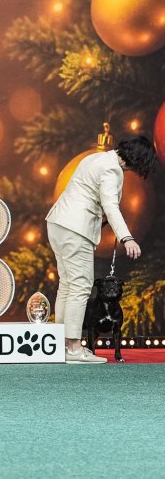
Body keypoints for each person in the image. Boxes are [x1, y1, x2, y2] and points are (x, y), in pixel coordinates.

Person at [46, 136, 157, 364]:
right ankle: (74, 348)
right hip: (75, 229)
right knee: (80, 286)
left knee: (67, 285)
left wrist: (99, 219)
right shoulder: (112, 170)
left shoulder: (95, 158)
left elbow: (87, 196)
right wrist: (127, 238)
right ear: (139, 160)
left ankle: (61, 346)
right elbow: (111, 207)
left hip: (58, 224)